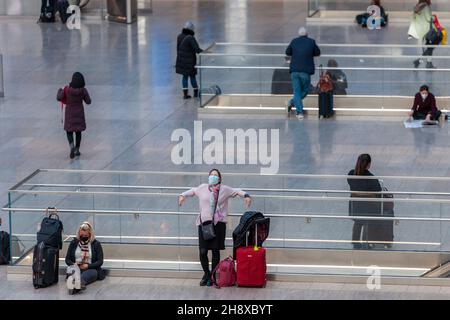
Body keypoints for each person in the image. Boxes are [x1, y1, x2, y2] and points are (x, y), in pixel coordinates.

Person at [178, 169, 252, 286]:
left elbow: (236, 191)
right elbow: (192, 191)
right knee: (203, 251)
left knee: (215, 251)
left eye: (215, 175)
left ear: (219, 178)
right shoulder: (202, 187)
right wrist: (182, 195)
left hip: (218, 225)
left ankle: (211, 277)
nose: (213, 176)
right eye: (211, 175)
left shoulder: (224, 189)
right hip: (204, 224)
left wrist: (246, 196)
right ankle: (207, 274)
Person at [347, 154, 382, 250]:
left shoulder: (351, 174)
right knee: (367, 222)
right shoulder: (371, 178)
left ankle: (355, 244)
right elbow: (378, 191)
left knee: (358, 223)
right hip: (368, 206)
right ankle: (366, 244)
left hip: (355, 206)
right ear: (369, 164)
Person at [285, 27, 321, 120]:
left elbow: (287, 52)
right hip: (305, 71)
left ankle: (291, 103)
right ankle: (299, 112)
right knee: (306, 90)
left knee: (297, 92)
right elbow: (317, 52)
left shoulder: (294, 41)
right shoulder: (311, 42)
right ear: (307, 34)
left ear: (299, 34)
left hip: (294, 71)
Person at [57, 72, 91, 159]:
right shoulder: (83, 90)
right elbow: (88, 101)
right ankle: (77, 149)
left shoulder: (67, 90)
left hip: (69, 115)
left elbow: (59, 97)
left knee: (69, 131)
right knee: (78, 132)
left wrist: (60, 90)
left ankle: (71, 146)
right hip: (79, 114)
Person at [65, 221, 105, 293]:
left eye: (85, 236)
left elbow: (100, 261)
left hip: (90, 268)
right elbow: (67, 260)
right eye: (81, 236)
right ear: (78, 234)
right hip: (76, 267)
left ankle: (77, 284)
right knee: (72, 270)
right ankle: (76, 285)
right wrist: (74, 264)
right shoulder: (74, 243)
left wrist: (88, 266)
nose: (83, 237)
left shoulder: (96, 244)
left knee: (90, 273)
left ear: (90, 235)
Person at [175, 21, 204, 99]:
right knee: (192, 76)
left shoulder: (179, 36)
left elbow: (178, 49)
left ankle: (185, 94)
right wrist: (205, 52)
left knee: (184, 77)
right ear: (191, 29)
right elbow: (197, 49)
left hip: (181, 60)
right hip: (190, 61)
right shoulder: (190, 38)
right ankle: (195, 92)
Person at [408, 0, 437, 69]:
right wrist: (434, 18)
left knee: (427, 48)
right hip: (427, 30)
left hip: (420, 30)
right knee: (430, 48)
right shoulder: (426, 7)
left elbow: (413, 17)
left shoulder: (417, 6)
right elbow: (429, 18)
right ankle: (422, 62)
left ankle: (427, 63)